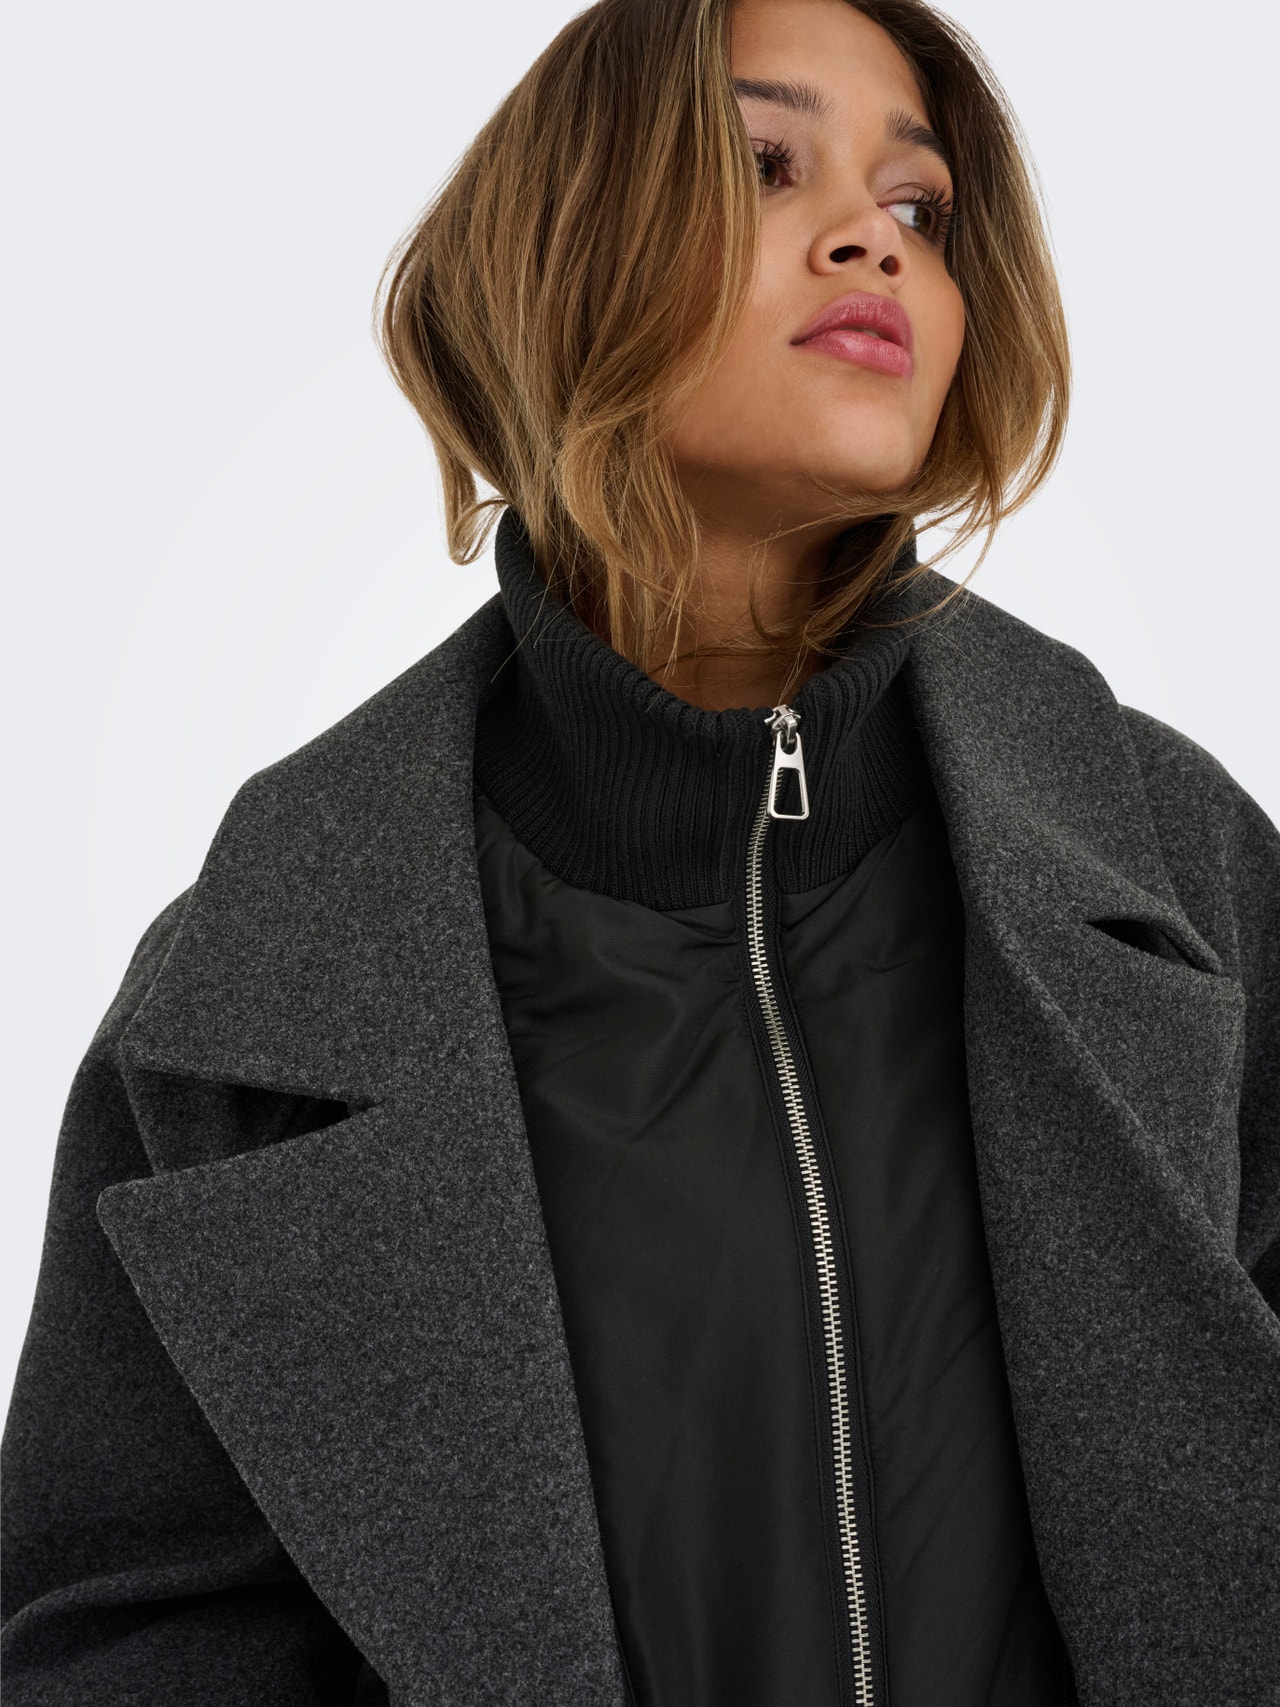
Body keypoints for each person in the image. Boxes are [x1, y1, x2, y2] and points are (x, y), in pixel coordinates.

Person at [2, 0, 1277, 1701]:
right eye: (765, 165)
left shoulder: (1180, 860)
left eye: (919, 206)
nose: (872, 239)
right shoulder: (248, 991)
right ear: (561, 255)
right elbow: (118, 1632)